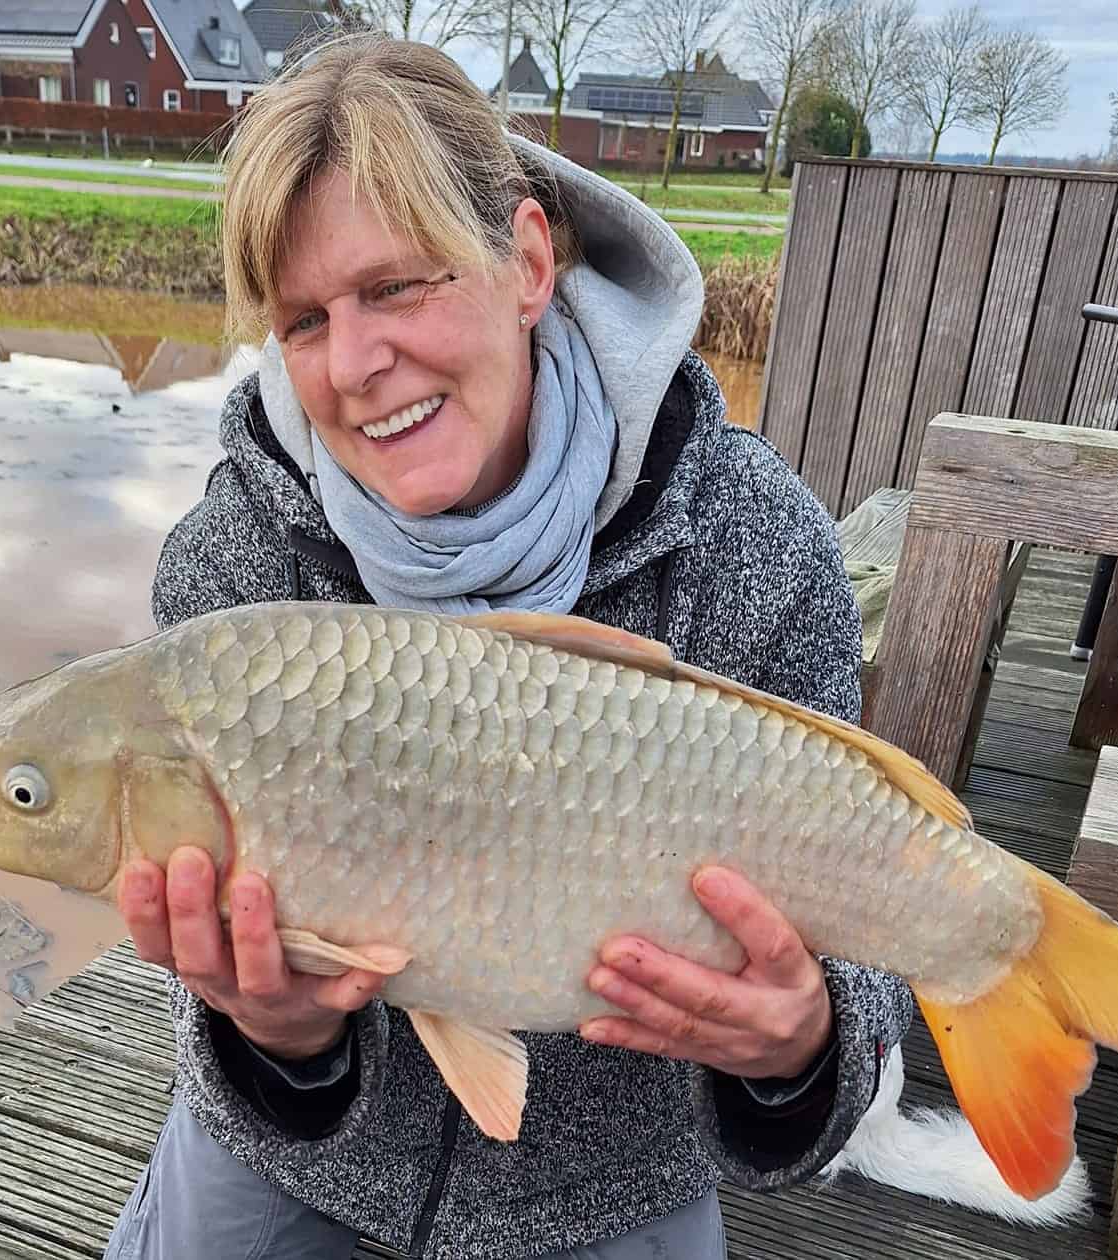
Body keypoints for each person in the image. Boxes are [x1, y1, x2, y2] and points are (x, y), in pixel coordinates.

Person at [103, 32, 912, 1260]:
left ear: (529, 261)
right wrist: (276, 1037)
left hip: (610, 1191)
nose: (358, 365)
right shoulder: (235, 571)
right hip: (296, 1157)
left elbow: (868, 944)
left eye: (398, 287)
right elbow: (203, 961)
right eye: (305, 320)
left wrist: (801, 1048)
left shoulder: (752, 539)